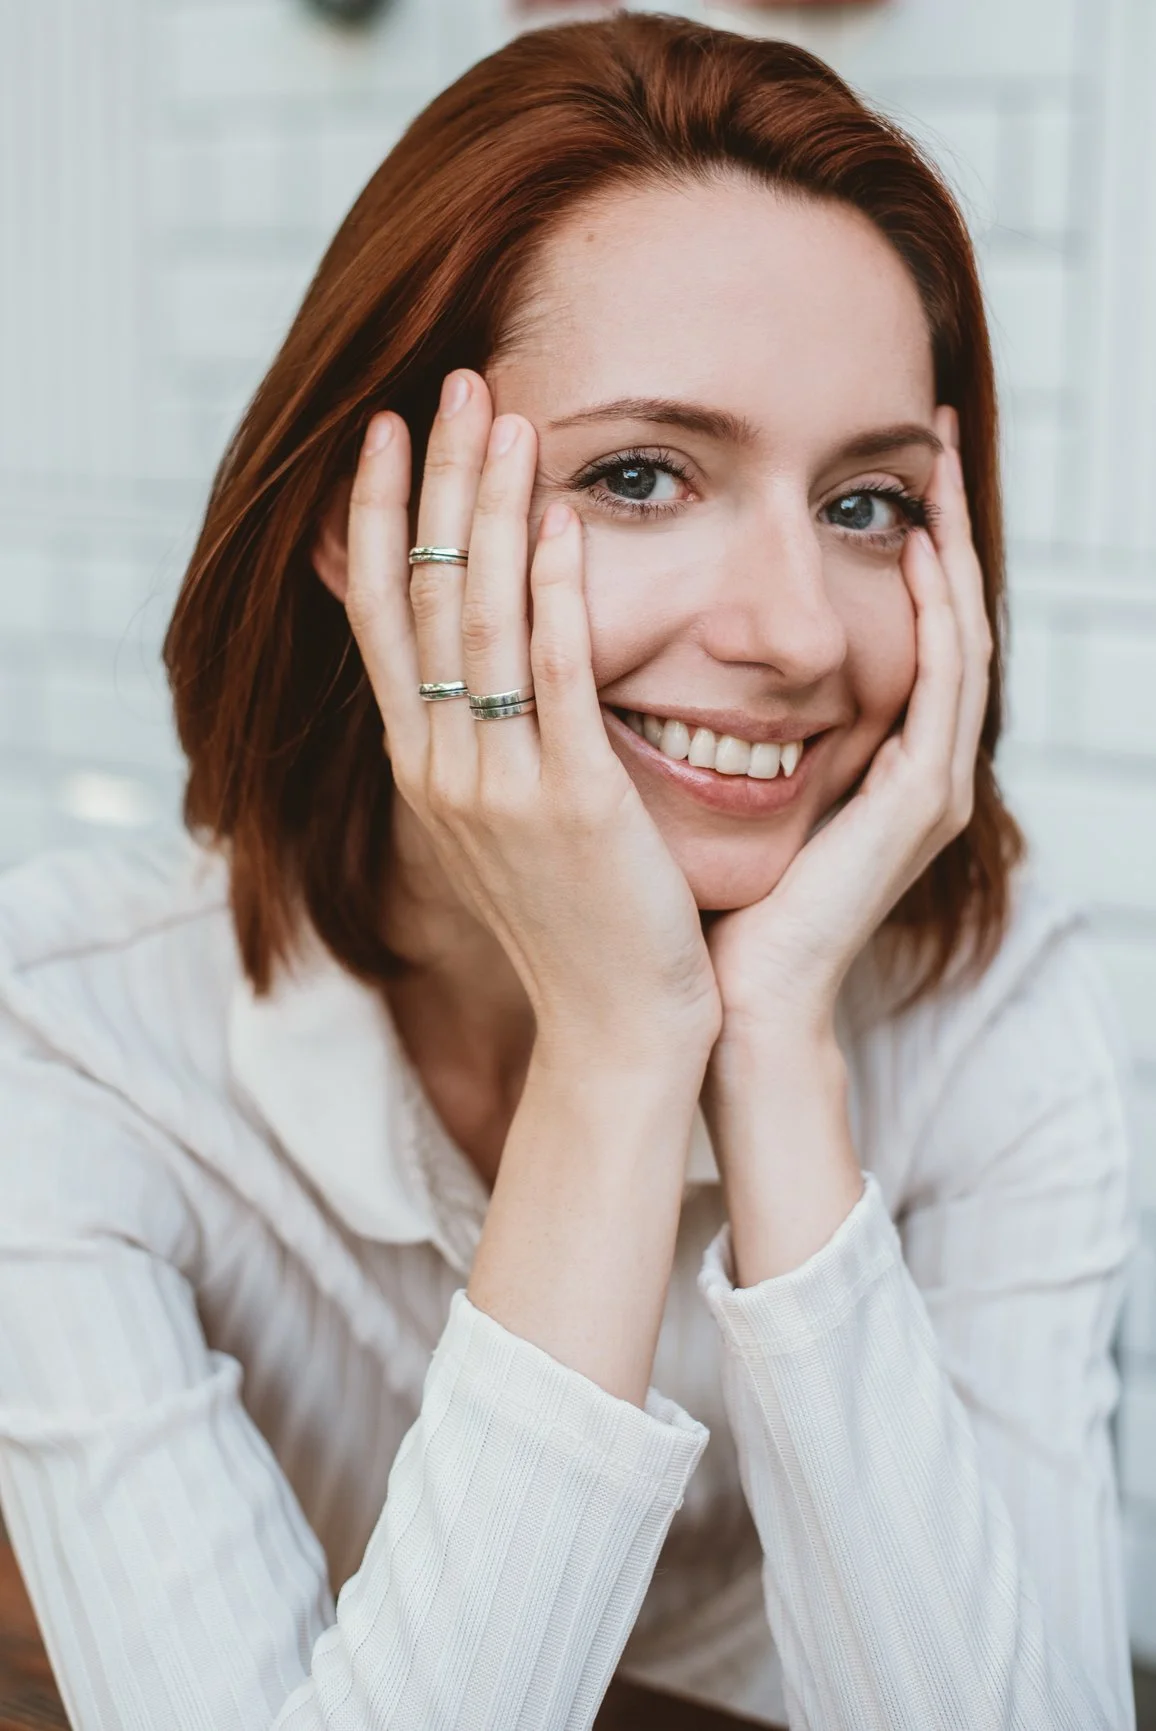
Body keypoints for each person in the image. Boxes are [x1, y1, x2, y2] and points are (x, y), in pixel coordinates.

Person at [0, 14, 1136, 1730]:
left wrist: (774, 1057)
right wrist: (619, 1050)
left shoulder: (996, 1008)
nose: (792, 632)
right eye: (639, 475)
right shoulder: (65, 1049)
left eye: (868, 503)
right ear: (355, 525)